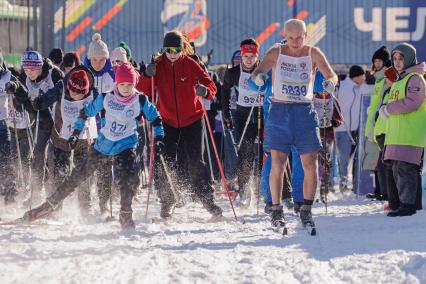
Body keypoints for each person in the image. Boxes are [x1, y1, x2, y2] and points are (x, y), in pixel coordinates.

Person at [21, 63, 164, 230]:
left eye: (130, 85)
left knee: (128, 178)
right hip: (103, 145)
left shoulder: (140, 100)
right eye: (122, 84)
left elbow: (156, 119)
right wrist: (75, 133)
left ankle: (126, 213)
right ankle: (47, 207)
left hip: (126, 145)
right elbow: (85, 113)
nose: (126, 88)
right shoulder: (106, 98)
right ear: (117, 84)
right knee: (77, 176)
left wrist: (159, 138)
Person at [252, 19, 338, 231]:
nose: (295, 42)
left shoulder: (313, 53)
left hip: (304, 112)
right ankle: (276, 209)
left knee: (309, 164)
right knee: (277, 163)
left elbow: (332, 74)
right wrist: (260, 79)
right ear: (284, 35)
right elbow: (256, 73)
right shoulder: (275, 52)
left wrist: (330, 83)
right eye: (291, 38)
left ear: (305, 35)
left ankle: (306, 210)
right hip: (279, 111)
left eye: (299, 37)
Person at [137, 31, 223, 219]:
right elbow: (141, 90)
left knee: (195, 161)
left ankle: (208, 200)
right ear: (164, 49)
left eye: (177, 50)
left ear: (182, 48)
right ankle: (167, 201)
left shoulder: (191, 64)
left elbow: (211, 86)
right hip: (167, 121)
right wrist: (146, 74)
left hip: (192, 119)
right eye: (169, 50)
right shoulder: (158, 66)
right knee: (164, 160)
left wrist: (205, 91)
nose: (173, 53)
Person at [30, 65, 98, 217]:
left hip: (83, 139)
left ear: (86, 91)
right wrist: (39, 102)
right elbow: (48, 97)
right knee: (59, 173)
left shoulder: (93, 92)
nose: (75, 95)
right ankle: (55, 207)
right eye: (72, 91)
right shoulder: (61, 86)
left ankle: (85, 207)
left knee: (83, 173)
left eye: (80, 93)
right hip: (61, 137)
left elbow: (105, 104)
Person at [380, 42, 425, 216]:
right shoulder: (400, 79)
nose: (397, 62)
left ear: (410, 58)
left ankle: (408, 206)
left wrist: (388, 109)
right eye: (395, 58)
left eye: (401, 58)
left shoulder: (415, 78)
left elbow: (413, 102)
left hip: (410, 134)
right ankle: (405, 204)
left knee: (406, 170)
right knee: (398, 170)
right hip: (398, 134)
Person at [16, 50, 64, 204]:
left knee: (55, 155)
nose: (30, 73)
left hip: (58, 119)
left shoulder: (54, 73)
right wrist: (20, 99)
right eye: (26, 69)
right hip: (41, 120)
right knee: (37, 155)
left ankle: (56, 194)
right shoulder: (24, 77)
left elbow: (65, 91)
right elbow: (21, 103)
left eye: (33, 69)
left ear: (41, 66)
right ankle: (36, 193)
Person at [222, 38, 264, 206]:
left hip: (261, 114)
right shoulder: (233, 73)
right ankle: (244, 189)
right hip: (242, 115)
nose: (248, 59)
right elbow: (224, 92)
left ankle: (264, 186)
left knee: (264, 149)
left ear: (257, 57)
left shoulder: (264, 70)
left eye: (252, 56)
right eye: (245, 56)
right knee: (245, 151)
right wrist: (226, 114)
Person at [83, 33, 115, 215]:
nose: (97, 63)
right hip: (88, 125)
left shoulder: (112, 74)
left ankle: (104, 203)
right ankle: (85, 203)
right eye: (93, 59)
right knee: (87, 164)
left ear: (106, 58)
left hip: (107, 126)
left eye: (101, 59)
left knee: (105, 164)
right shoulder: (83, 73)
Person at [0, 50, 29, 203]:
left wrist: (14, 87)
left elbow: (24, 94)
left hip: (2, 123)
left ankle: (10, 195)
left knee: (5, 159)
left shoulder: (7, 76)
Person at [365, 46, 391, 201]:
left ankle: (386, 193)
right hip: (375, 125)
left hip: (382, 125)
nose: (377, 63)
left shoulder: (387, 79)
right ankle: (379, 191)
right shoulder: (378, 79)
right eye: (375, 61)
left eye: (380, 60)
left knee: (383, 162)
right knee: (375, 161)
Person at [335, 65, 365, 191]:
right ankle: (342, 185)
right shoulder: (343, 87)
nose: (364, 78)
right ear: (356, 76)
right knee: (344, 158)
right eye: (362, 75)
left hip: (354, 129)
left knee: (348, 159)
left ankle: (344, 183)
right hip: (342, 129)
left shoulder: (358, 88)